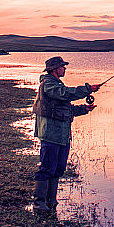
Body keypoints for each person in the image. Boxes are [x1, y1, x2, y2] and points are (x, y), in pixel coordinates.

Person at [30, 56, 98, 213]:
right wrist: (87, 89)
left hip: (62, 136)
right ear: (55, 69)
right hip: (50, 135)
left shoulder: (57, 84)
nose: (65, 69)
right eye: (62, 66)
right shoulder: (48, 85)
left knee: (58, 168)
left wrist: (84, 109)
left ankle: (51, 201)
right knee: (47, 167)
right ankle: (39, 204)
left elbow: (65, 108)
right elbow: (66, 94)